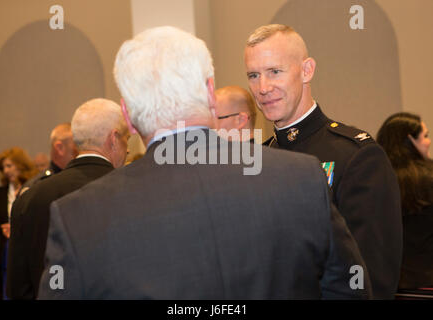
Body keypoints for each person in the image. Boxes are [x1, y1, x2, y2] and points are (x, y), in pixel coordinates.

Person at [38, 26, 370, 299]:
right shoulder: (300, 180)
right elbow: (348, 290)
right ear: (210, 94)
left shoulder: (78, 217)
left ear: (127, 115)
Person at [244, 24, 402, 299]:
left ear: (307, 70)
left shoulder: (356, 156)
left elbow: (371, 278)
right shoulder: (257, 160)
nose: (263, 88)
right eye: (254, 75)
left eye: (275, 72)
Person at [6, 98, 130, 300]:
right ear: (114, 139)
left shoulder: (29, 197)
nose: (127, 151)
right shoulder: (128, 192)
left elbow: (17, 287)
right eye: (127, 140)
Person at [377, 112, 433, 289]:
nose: (428, 142)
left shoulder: (375, 179)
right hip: (427, 278)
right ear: (410, 140)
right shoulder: (429, 178)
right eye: (425, 136)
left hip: (390, 281)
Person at [0, 147, 37, 299]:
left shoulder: (33, 188)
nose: (6, 171)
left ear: (20, 165)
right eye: (3, 168)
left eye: (9, 166)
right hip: (4, 248)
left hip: (27, 246)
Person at [22, 123, 78, 190]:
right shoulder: (37, 187)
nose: (81, 151)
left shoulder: (80, 178)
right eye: (77, 146)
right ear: (60, 148)